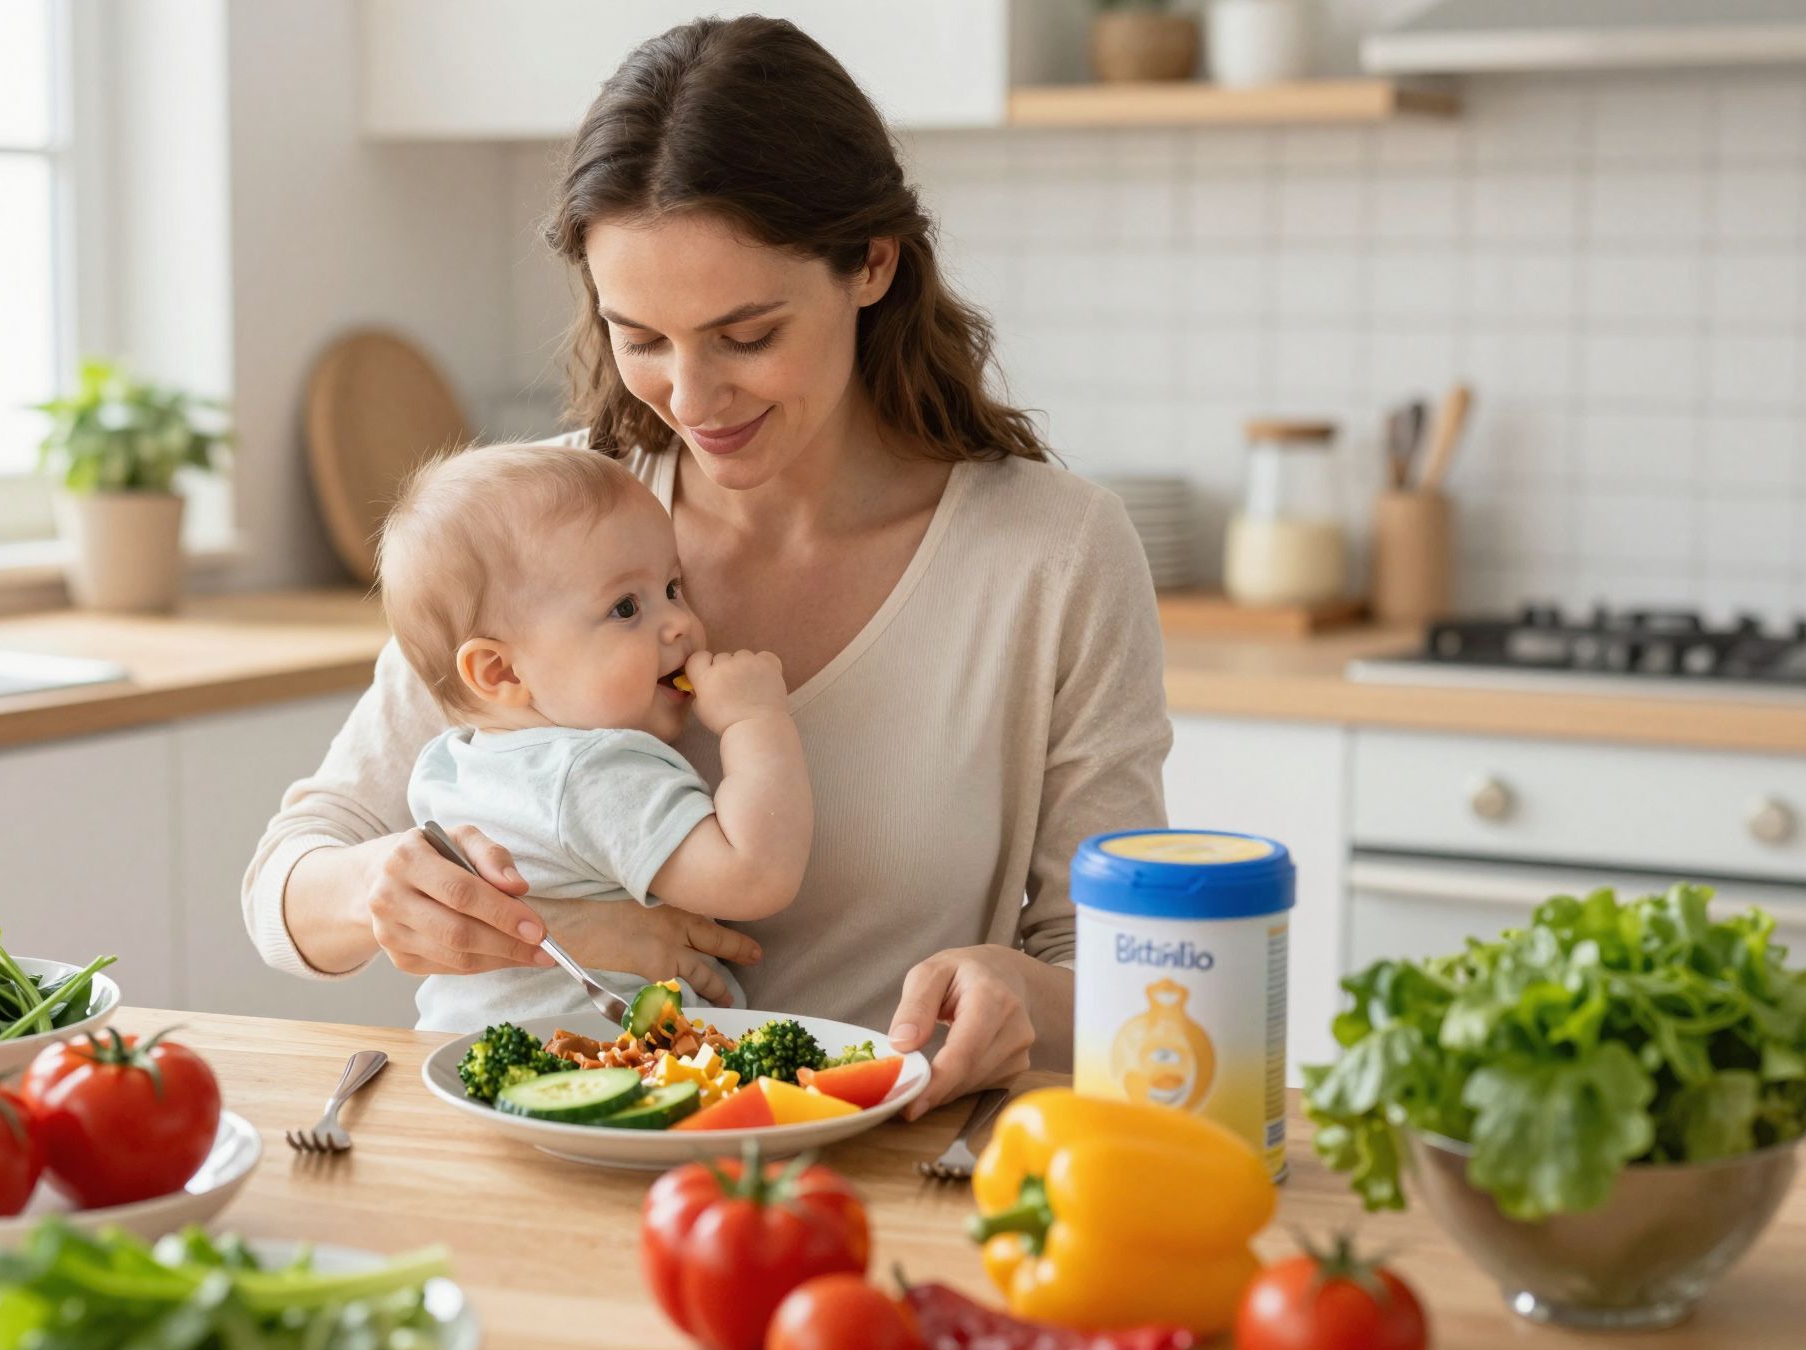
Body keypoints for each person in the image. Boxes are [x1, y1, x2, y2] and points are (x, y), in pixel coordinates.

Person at [243, 15, 1170, 1117]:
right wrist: (396, 896)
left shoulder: (1050, 555)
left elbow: (1141, 966)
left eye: (744, 336)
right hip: (558, 1159)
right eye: (640, 337)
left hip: (874, 1178)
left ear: (872, 262)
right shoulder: (541, 525)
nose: (688, 399)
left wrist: (1030, 998)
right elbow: (288, 884)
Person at [377, 441, 812, 1029]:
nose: (680, 621)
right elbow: (754, 876)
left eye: (674, 587)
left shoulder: (450, 764)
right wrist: (756, 722)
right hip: (592, 1077)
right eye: (627, 607)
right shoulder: (594, 771)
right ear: (502, 672)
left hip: (458, 1055)